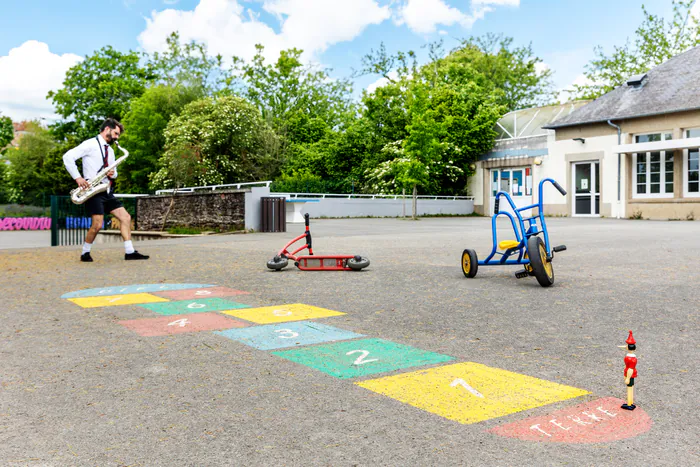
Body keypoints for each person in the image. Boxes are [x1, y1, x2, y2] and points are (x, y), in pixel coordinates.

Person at [63, 118, 149, 262]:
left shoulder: (110, 150)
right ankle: (85, 253)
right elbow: (67, 157)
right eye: (116, 133)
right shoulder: (89, 144)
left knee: (126, 217)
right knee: (97, 224)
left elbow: (114, 172)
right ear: (107, 129)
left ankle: (130, 252)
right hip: (92, 190)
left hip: (106, 190)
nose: (116, 138)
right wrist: (78, 178)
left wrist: (112, 173)